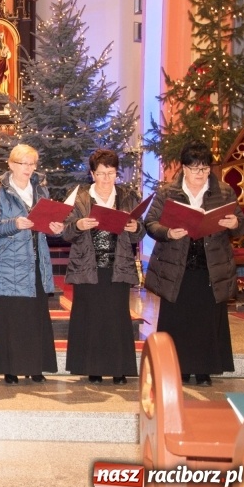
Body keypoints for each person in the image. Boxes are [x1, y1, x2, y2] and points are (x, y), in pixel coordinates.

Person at [144, 141, 244, 387]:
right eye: (195, 169)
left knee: (207, 318)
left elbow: (241, 223)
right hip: (177, 265)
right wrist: (169, 233)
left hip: (210, 264)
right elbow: (151, 223)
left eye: (204, 168)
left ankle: (204, 369)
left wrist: (234, 224)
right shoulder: (168, 192)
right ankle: (176, 368)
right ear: (184, 168)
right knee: (177, 318)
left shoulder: (223, 191)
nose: (200, 174)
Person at [63, 149, 145, 385]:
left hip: (117, 265)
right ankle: (93, 369)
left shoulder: (127, 196)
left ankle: (119, 369)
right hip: (87, 265)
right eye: (101, 173)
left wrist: (134, 229)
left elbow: (140, 231)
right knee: (91, 318)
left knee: (117, 318)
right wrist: (78, 224)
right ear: (92, 173)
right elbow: (65, 231)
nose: (106, 179)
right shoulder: (79, 197)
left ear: (117, 173)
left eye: (111, 173)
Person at [0, 144, 63, 384]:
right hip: (9, 263)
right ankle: (10, 368)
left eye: (32, 164)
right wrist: (13, 224)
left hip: (37, 262)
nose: (28, 168)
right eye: (23, 164)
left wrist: (55, 229)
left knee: (35, 315)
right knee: (12, 316)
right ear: (10, 164)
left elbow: (48, 223)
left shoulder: (41, 191)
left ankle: (35, 366)